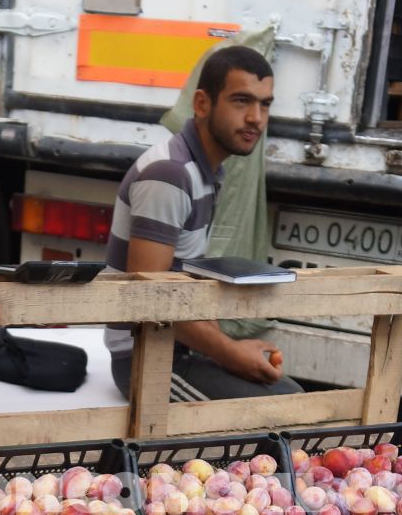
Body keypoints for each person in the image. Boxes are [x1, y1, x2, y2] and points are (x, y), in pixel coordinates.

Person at [104, 45, 300, 402]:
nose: (256, 117)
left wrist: (230, 350)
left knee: (291, 397)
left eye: (265, 104)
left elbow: (183, 285)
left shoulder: (204, 171)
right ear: (201, 104)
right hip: (146, 361)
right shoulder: (170, 173)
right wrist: (228, 353)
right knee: (284, 408)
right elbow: (150, 299)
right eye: (242, 101)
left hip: (178, 349)